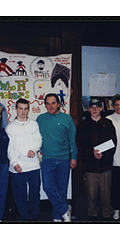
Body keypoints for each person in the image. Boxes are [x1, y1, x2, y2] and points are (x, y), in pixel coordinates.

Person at [36, 93, 78, 222]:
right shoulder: (40, 119)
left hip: (64, 159)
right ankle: (65, 208)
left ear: (58, 104)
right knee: (48, 187)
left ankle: (57, 216)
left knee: (61, 190)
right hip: (48, 159)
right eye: (48, 103)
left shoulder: (67, 119)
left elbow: (72, 140)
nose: (50, 106)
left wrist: (74, 157)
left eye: (53, 103)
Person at [76, 98, 117, 221]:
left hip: (105, 165)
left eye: (97, 107)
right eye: (92, 107)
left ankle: (107, 213)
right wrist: (91, 153)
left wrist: (103, 154)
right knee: (92, 194)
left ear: (101, 108)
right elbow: (80, 144)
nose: (94, 109)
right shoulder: (83, 125)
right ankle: (92, 213)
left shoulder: (108, 123)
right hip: (90, 165)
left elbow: (113, 142)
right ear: (88, 109)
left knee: (106, 193)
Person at [5, 99, 42, 221]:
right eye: (20, 108)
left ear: (28, 110)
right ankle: (25, 217)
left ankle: (35, 216)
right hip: (18, 167)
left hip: (34, 166)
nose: (23, 111)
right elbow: (10, 148)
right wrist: (14, 163)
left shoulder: (34, 124)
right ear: (15, 109)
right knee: (20, 195)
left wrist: (34, 149)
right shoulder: (10, 127)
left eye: (25, 108)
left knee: (34, 194)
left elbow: (39, 140)